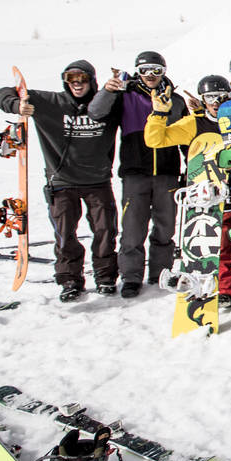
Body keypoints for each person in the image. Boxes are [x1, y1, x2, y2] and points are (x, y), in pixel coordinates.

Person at [0, 61, 121, 301]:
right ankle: (70, 279)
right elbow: (1, 93)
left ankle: (105, 277)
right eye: (71, 80)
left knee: (105, 231)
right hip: (61, 182)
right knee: (65, 235)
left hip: (98, 181)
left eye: (82, 80)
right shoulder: (50, 102)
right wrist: (16, 105)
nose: (77, 85)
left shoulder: (108, 103)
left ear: (91, 80)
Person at [145, 74, 231, 306]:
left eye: (221, 97)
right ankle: (228, 290)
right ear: (203, 99)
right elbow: (155, 140)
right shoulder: (193, 124)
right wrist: (158, 114)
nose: (216, 102)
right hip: (211, 197)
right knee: (223, 245)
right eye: (210, 97)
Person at [87, 51, 187, 298]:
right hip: (135, 172)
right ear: (137, 72)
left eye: (156, 70)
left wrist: (189, 168)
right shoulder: (125, 96)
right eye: (145, 70)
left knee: (165, 227)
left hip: (167, 172)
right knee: (133, 228)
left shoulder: (175, 100)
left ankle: (160, 273)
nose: (151, 75)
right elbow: (95, 112)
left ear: (164, 72)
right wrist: (108, 91)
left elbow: (186, 138)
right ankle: (131, 276)